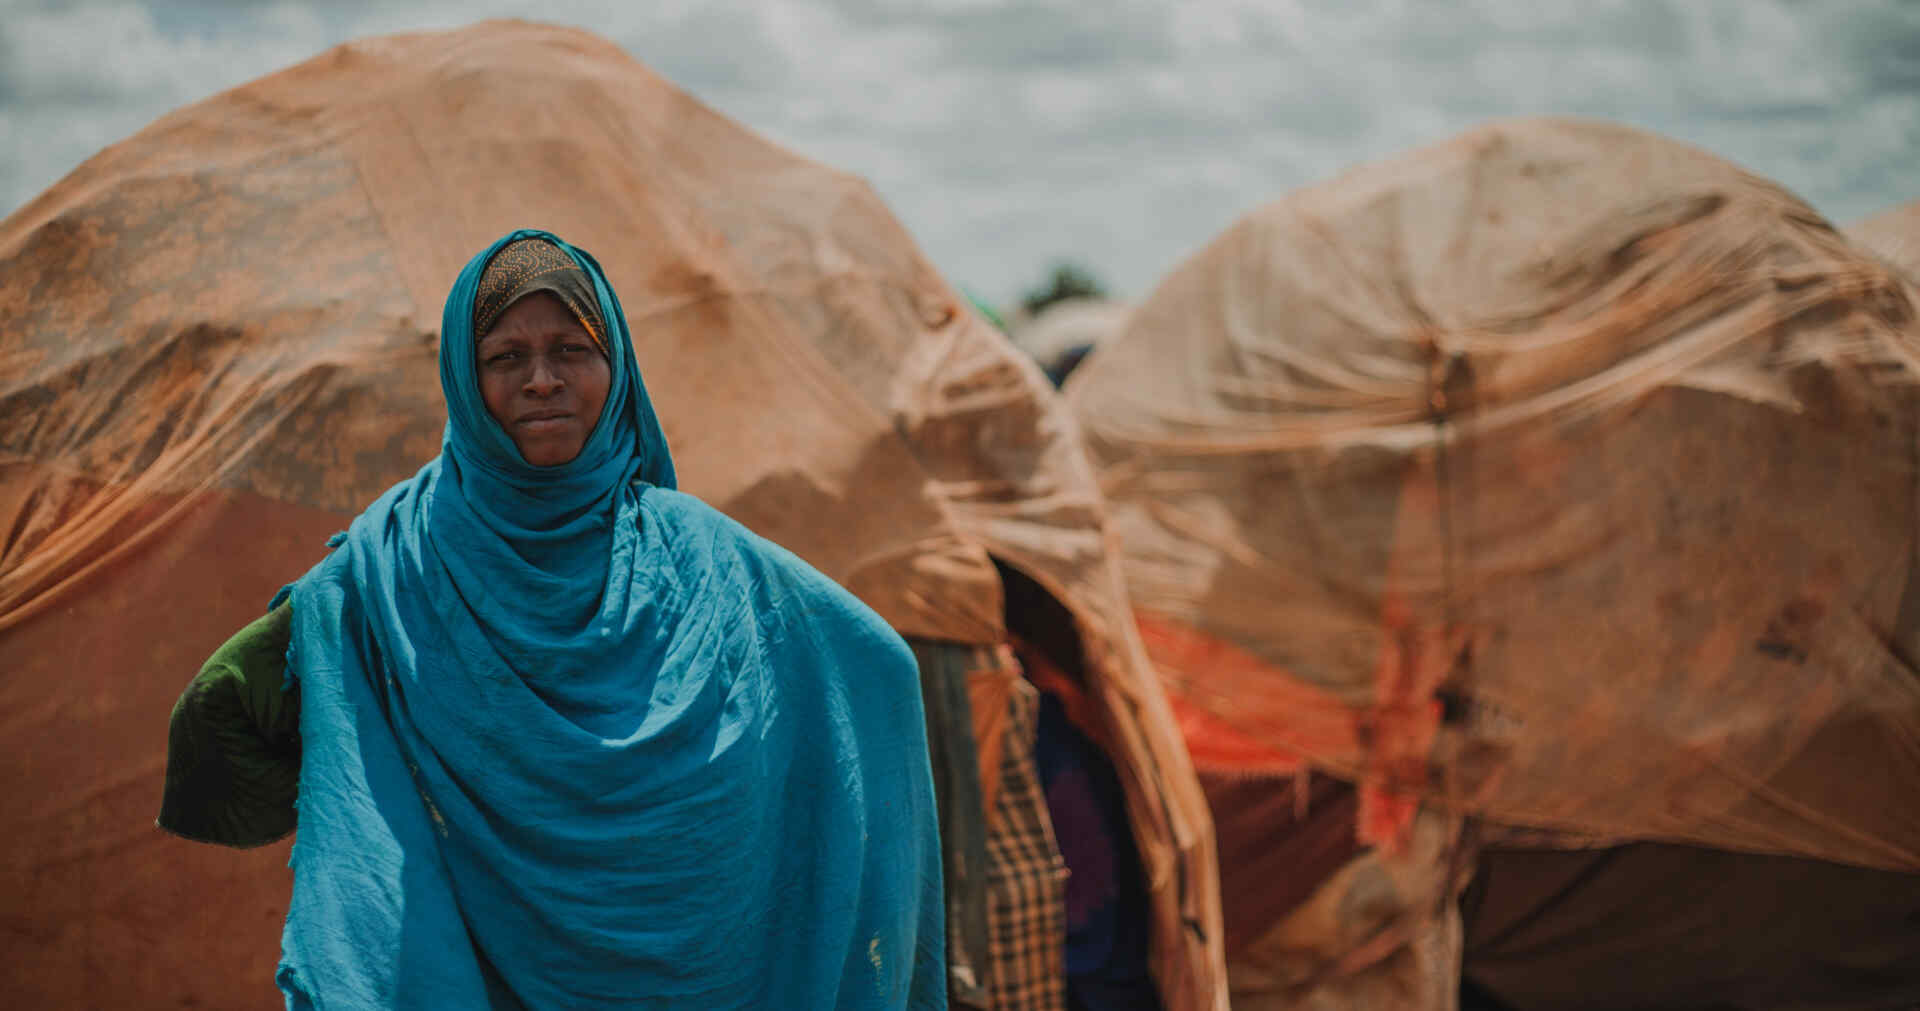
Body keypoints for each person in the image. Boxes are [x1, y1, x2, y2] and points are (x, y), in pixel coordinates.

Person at [158, 230, 947, 1010]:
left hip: (705, 976)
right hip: (477, 976)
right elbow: (216, 715)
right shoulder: (389, 575)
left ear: (617, 367)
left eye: (572, 349)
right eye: (505, 357)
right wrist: (354, 787)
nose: (542, 379)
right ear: (465, 382)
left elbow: (878, 666)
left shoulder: (698, 553)